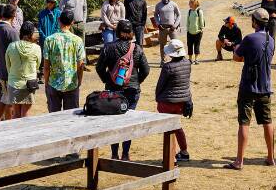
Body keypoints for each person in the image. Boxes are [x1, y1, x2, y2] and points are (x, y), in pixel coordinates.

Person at [226, 9, 276, 170]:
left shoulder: (249, 38)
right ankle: (271, 157)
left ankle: (239, 160)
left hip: (248, 85)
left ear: (254, 22)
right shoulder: (271, 39)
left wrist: (235, 47)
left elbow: (237, 57)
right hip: (265, 86)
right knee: (267, 121)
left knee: (244, 122)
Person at [95, 19, 150, 160]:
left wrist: (108, 80)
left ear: (117, 32)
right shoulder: (137, 48)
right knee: (128, 121)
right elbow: (146, 70)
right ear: (131, 32)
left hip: (113, 90)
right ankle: (125, 154)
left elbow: (99, 68)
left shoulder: (108, 47)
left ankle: (114, 153)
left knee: (114, 121)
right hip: (132, 89)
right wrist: (137, 81)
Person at [156, 38, 193, 163]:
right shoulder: (188, 63)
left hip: (167, 102)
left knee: (169, 129)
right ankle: (184, 151)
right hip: (182, 101)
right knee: (177, 127)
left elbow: (160, 85)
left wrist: (157, 98)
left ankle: (171, 158)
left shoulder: (168, 67)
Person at [43, 10, 86, 112]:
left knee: (54, 116)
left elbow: (46, 66)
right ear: (72, 22)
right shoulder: (77, 40)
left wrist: (46, 82)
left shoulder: (49, 40)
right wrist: (78, 81)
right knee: (70, 118)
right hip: (72, 83)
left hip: (53, 82)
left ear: (59, 20)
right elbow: (80, 66)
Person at [2, 22, 42, 120]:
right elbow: (37, 66)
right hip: (30, 84)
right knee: (25, 113)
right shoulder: (37, 48)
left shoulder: (11, 46)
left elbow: (8, 66)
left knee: (15, 113)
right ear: (31, 34)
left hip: (14, 82)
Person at [0, 4, 20, 123]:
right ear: (13, 15)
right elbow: (18, 54)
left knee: (4, 99)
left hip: (1, 69)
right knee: (10, 102)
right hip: (11, 72)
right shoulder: (12, 32)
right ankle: (8, 125)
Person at [153, 0, 181, 64]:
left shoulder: (173, 4)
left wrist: (175, 25)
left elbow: (179, 15)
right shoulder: (158, 5)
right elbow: (155, 15)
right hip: (162, 28)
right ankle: (163, 60)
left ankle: (177, 59)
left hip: (172, 28)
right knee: (162, 45)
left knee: (176, 43)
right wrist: (158, 24)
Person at [186, 0, 205, 64]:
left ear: (194, 4)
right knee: (189, 45)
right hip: (190, 32)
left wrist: (202, 29)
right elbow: (187, 21)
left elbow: (201, 20)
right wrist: (187, 29)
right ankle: (190, 59)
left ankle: (196, 59)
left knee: (197, 45)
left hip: (198, 32)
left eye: (190, 3)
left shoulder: (199, 11)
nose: (189, 4)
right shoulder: (189, 11)